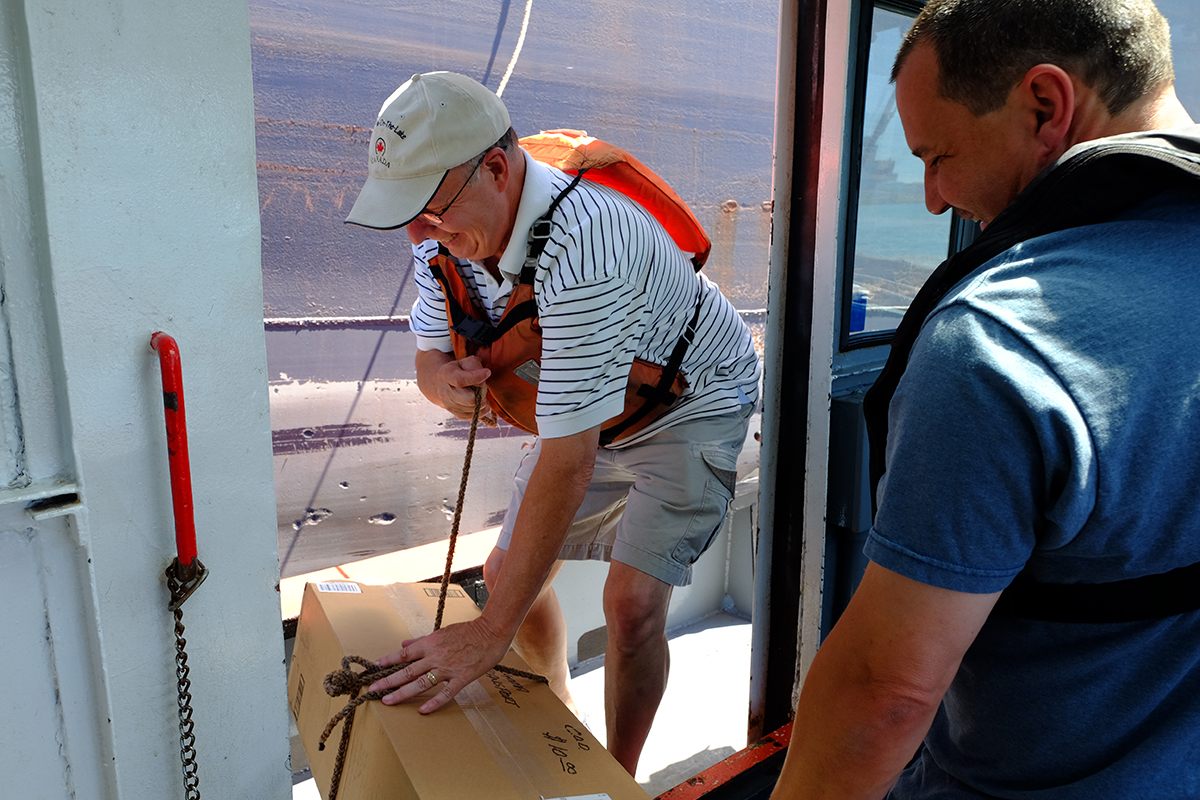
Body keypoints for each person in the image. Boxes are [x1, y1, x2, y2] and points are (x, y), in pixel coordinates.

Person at [771, 1, 1199, 798]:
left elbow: (886, 697)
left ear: (1046, 106)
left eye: (937, 156)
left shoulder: (1001, 340)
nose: (933, 198)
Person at [343, 71, 761, 774]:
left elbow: (569, 459)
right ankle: (558, 709)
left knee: (631, 606)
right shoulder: (440, 235)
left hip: (694, 400)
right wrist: (448, 384)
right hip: (600, 407)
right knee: (507, 571)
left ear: (498, 170)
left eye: (425, 208)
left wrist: (485, 635)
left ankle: (614, 780)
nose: (417, 233)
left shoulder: (589, 247)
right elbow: (428, 363)